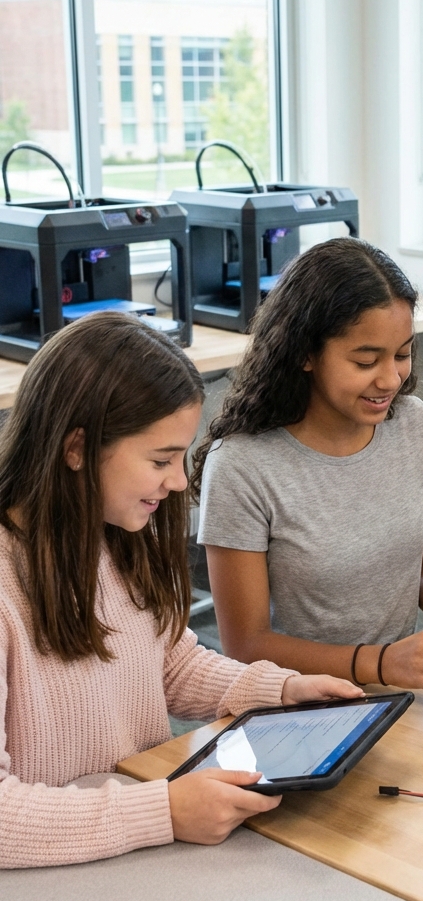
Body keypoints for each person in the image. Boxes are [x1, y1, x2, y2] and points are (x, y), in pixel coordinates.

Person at [0, 313, 362, 869]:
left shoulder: (109, 533)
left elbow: (166, 664)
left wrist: (277, 693)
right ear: (76, 448)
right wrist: (161, 811)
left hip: (121, 851)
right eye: (160, 459)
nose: (178, 483)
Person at [194, 239, 423, 695]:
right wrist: (379, 663)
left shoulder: (414, 424)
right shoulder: (243, 465)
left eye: (402, 355)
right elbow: (245, 645)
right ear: (304, 353)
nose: (390, 379)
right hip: (301, 702)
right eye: (365, 361)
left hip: (397, 690)